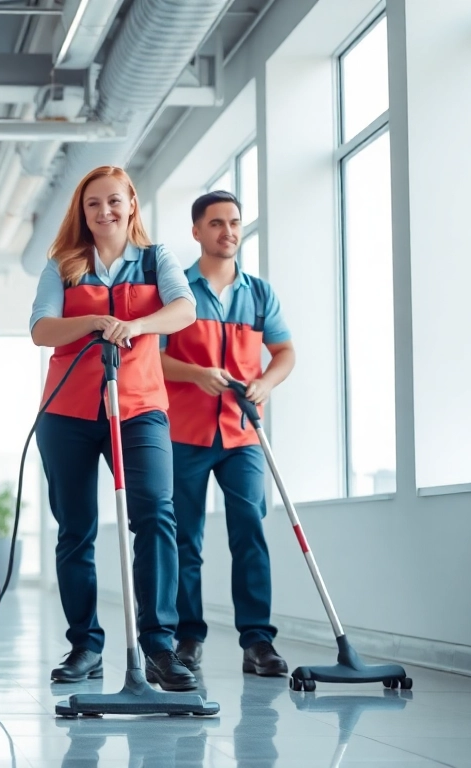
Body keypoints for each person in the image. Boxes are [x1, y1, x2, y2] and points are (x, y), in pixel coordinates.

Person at [29, 165, 198, 691]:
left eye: (113, 201)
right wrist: (95, 323)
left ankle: (160, 647)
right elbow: (40, 328)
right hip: (67, 413)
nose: (104, 211)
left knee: (155, 516)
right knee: (75, 530)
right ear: (82, 211)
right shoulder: (63, 265)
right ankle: (85, 646)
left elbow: (184, 310)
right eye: (93, 203)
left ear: (131, 205)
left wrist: (138, 324)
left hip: (139, 407)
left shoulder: (156, 259)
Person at [160, 190, 295, 676]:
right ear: (197, 232)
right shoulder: (176, 292)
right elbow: (152, 356)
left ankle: (258, 642)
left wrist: (265, 382)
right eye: (216, 223)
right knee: (184, 540)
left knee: (250, 535)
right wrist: (196, 374)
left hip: (242, 436)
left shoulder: (260, 294)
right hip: (185, 433)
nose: (228, 232)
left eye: (234, 222)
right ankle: (187, 637)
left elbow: (284, 353)